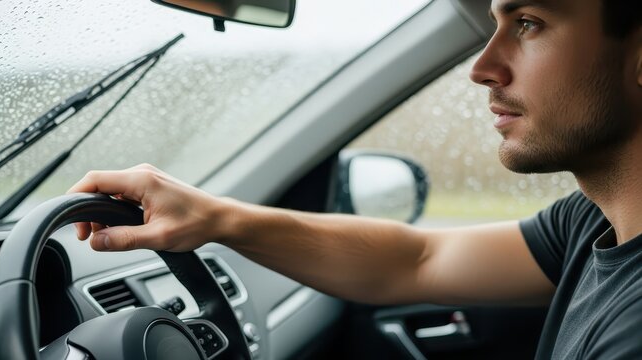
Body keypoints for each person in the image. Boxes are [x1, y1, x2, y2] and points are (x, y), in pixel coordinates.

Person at [68, 0, 641, 358]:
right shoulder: (592, 220)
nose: (481, 68)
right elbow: (413, 260)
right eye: (495, 25)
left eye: (528, 23)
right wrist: (218, 218)